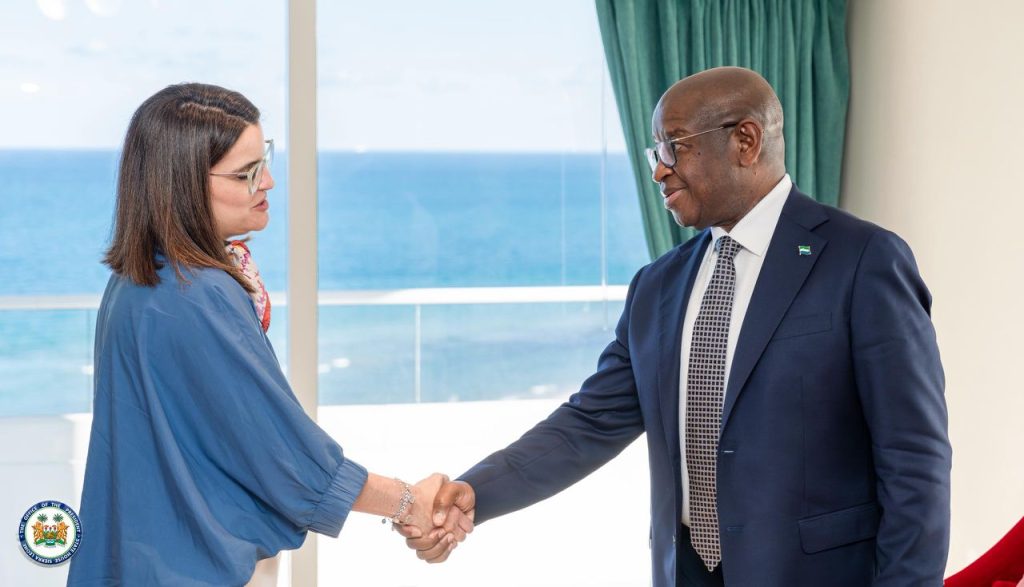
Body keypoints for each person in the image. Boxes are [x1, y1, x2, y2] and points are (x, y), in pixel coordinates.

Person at [404, 67, 952, 586]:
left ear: (745, 141)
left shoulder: (862, 260)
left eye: (674, 146)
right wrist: (475, 491)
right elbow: (588, 424)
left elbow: (914, 462)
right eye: (656, 152)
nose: (659, 170)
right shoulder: (657, 286)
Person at [66, 83, 469, 586]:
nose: (270, 182)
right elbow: (284, 456)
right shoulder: (197, 293)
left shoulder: (139, 279)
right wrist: (409, 501)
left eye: (265, 161)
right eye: (247, 173)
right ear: (181, 184)